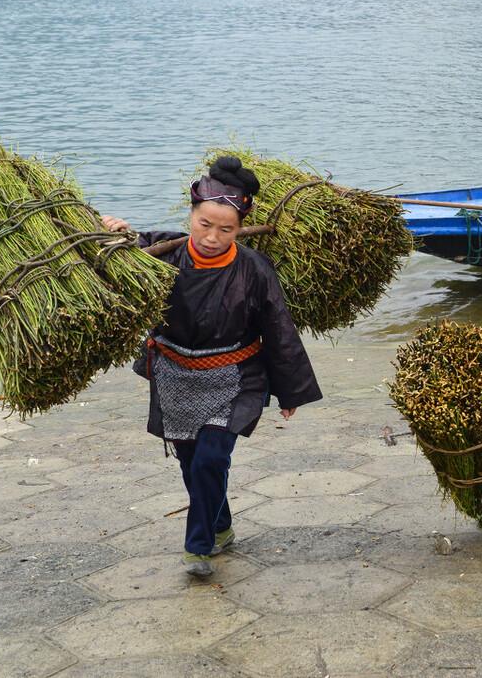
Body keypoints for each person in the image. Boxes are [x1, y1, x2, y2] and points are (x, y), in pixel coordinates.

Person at [101, 156, 322, 577]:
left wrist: (290, 390)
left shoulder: (254, 269)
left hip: (236, 378)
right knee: (190, 462)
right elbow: (118, 253)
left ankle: (198, 547)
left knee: (210, 459)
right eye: (204, 224)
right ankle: (220, 525)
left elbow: (278, 329)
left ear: (241, 228)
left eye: (226, 229)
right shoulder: (160, 253)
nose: (213, 237)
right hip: (177, 376)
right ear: (191, 214)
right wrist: (114, 230)